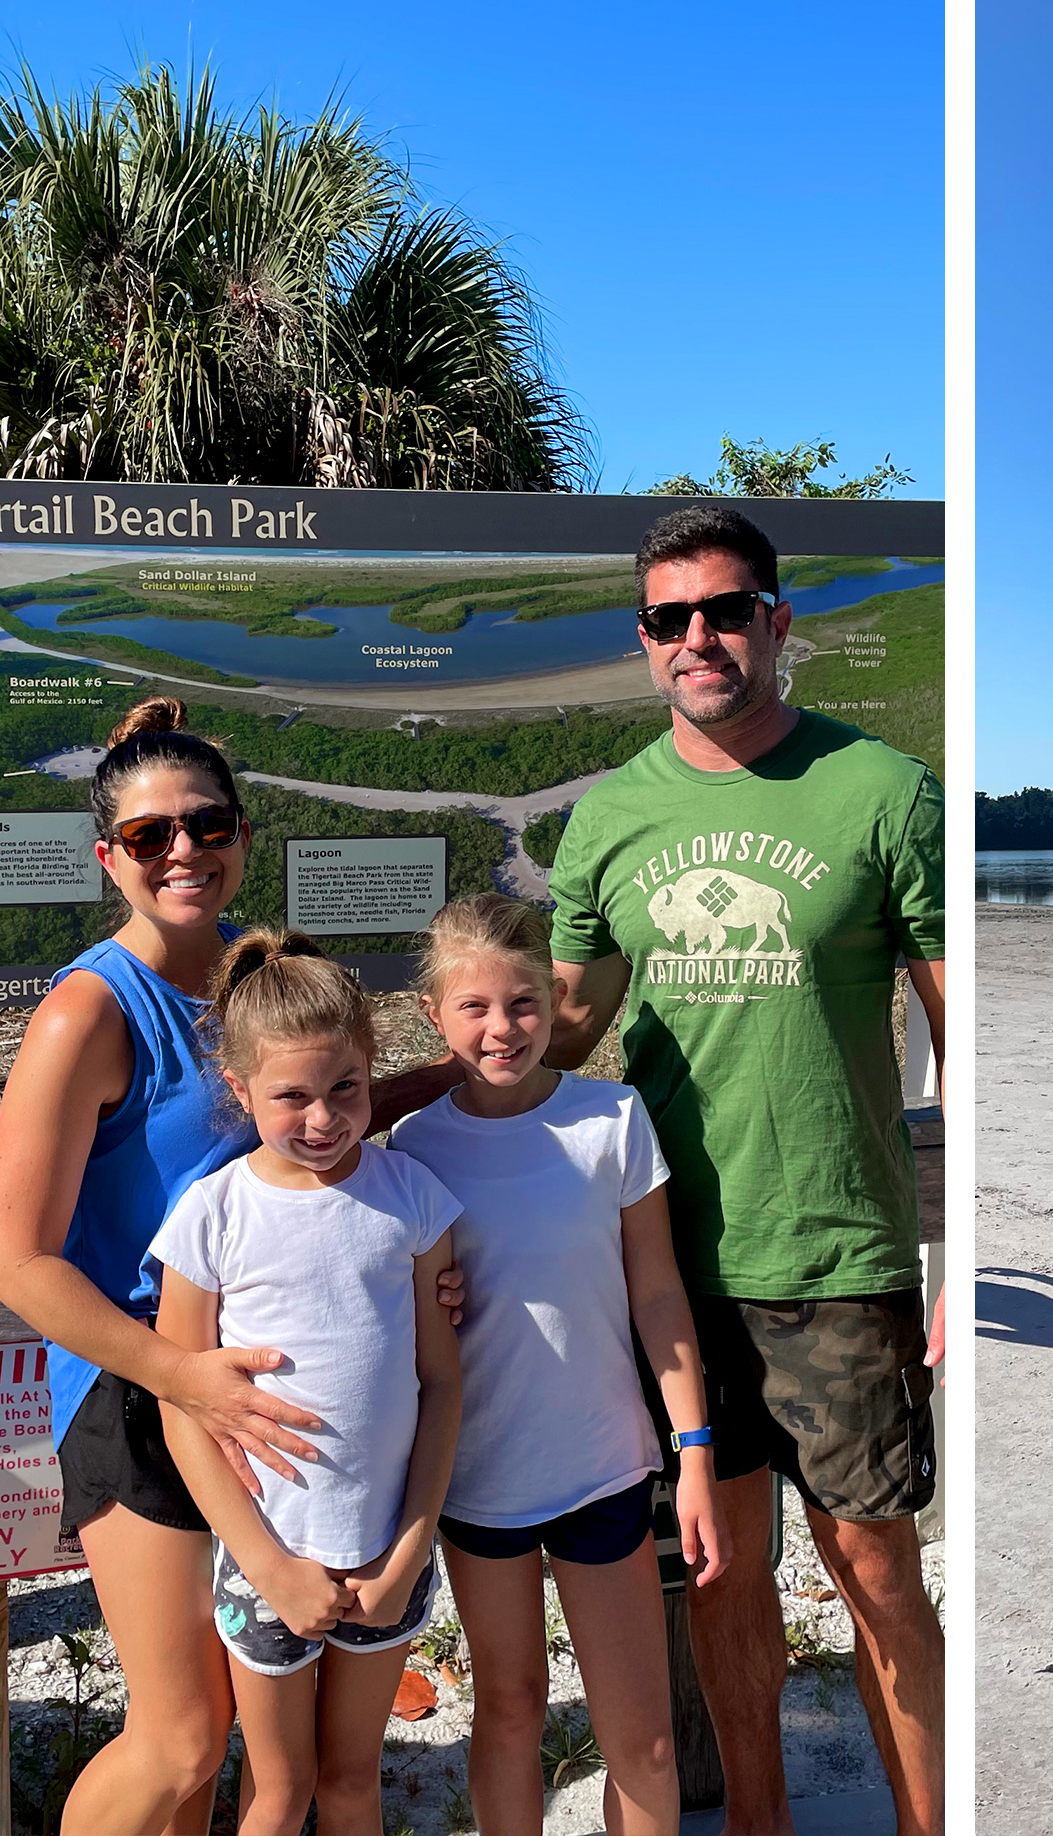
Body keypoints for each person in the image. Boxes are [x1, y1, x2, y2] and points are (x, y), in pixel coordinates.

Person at [545, 505, 946, 1835]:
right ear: (645, 642)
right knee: (722, 1576)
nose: (699, 638)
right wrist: (377, 1104)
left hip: (838, 1254)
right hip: (666, 1270)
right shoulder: (609, 821)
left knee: (877, 1571)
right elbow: (554, 1032)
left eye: (725, 611)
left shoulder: (883, 791)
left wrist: (977, 1255)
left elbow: (968, 1032)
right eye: (672, 619)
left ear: (778, 625)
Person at [0, 699, 460, 1836]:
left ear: (243, 836)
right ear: (108, 858)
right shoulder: (88, 1015)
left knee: (237, 1747)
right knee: (182, 1740)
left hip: (273, 1395)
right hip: (141, 1391)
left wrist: (463, 1092)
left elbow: (307, 1131)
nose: (183, 854)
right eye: (149, 838)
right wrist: (185, 1378)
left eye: (204, 826)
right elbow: (19, 1262)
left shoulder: (252, 988)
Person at [388, 895, 727, 1836]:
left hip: (602, 1466)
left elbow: (657, 1293)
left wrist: (693, 1448)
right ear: (434, 1015)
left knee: (644, 1741)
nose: (502, 1029)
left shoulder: (611, 1118)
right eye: (475, 1008)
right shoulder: (415, 1147)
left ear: (557, 998)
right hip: (479, 1476)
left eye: (524, 1004)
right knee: (507, 1711)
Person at [150, 931, 463, 1836]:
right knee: (280, 1792)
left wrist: (408, 1553)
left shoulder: (413, 1196)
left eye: (346, 1089)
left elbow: (441, 1385)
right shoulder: (210, 1215)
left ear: (372, 1068)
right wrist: (268, 1566)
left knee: (356, 1780)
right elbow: (185, 1408)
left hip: (386, 1557)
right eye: (292, 1096)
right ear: (240, 1091)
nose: (324, 1117)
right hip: (268, 1559)